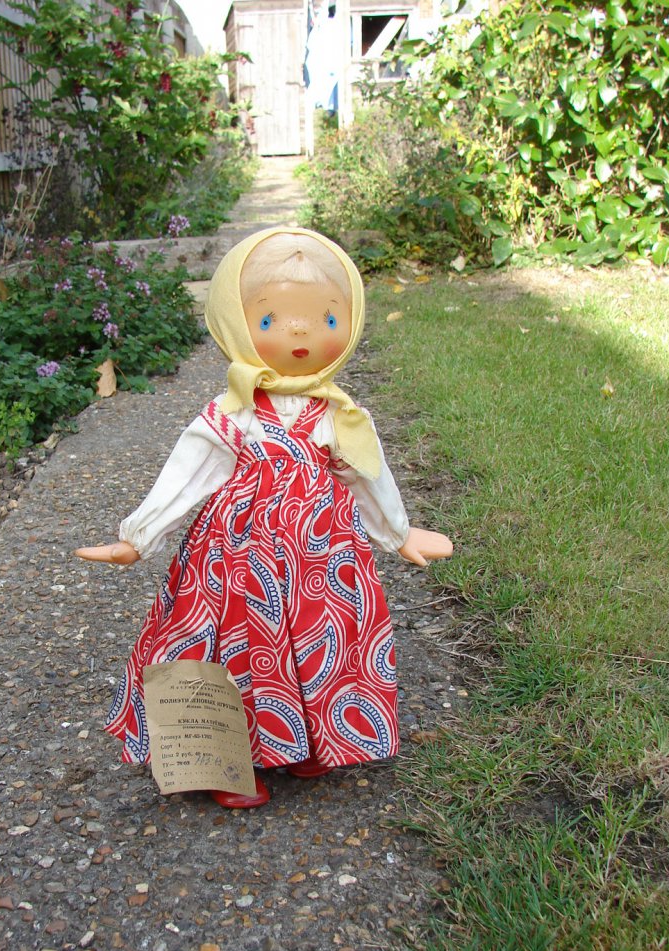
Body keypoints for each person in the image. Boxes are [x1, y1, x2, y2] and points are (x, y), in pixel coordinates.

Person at [76, 227, 452, 808]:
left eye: (328, 319)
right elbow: (189, 474)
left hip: (322, 554)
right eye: (272, 319)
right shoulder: (233, 413)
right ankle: (232, 759)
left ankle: (309, 737)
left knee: (323, 633)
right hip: (238, 552)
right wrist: (139, 536)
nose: (301, 331)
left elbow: (366, 475)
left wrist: (397, 532)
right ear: (235, 323)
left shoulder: (340, 414)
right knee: (237, 641)